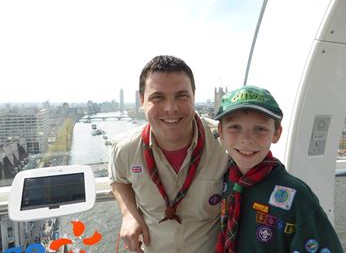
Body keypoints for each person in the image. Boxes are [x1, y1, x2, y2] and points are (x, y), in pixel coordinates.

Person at [108, 55, 229, 252]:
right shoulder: (126, 149)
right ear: (142, 100)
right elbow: (118, 179)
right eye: (158, 97)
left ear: (194, 96)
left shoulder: (224, 142)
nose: (171, 108)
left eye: (181, 96)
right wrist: (128, 213)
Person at [214, 85, 343, 252]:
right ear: (221, 131)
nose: (246, 139)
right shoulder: (216, 179)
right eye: (235, 127)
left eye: (260, 129)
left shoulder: (298, 197)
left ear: (276, 133)